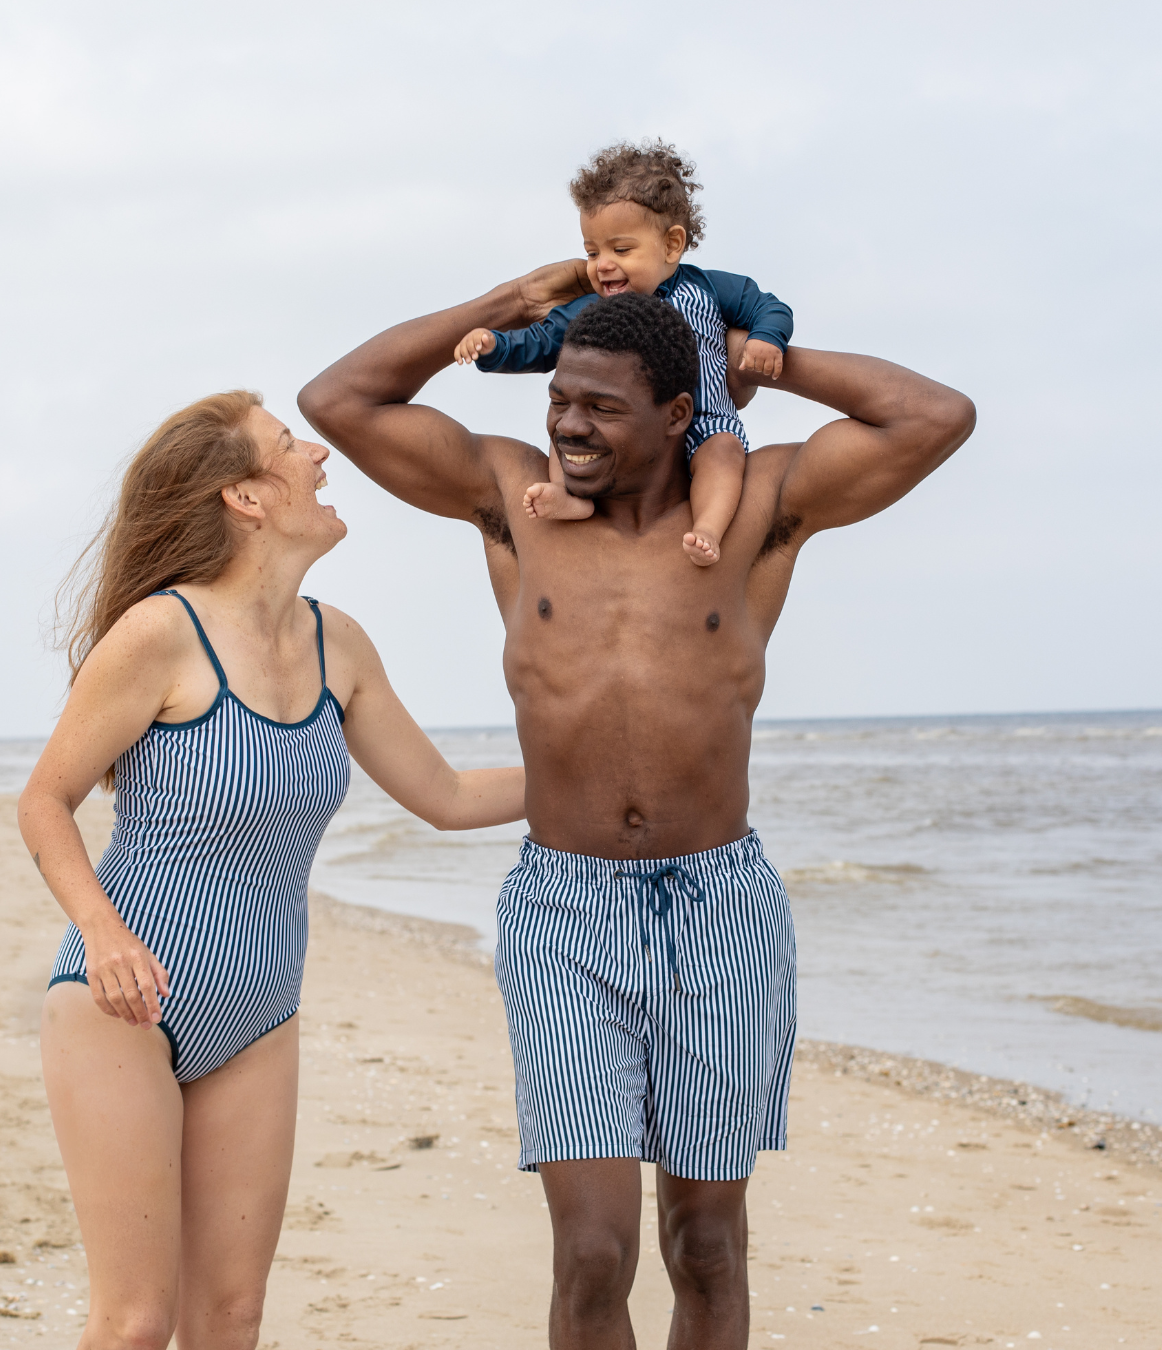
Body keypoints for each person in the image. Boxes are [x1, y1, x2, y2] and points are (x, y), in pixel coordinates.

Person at [298, 277, 974, 1350]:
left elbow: (936, 417)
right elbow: (338, 401)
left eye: (603, 407)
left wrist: (764, 362)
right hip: (564, 912)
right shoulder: (512, 498)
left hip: (722, 908)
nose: (567, 423)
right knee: (593, 1251)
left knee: (706, 1245)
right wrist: (517, 297)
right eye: (561, 398)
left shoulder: (753, 507)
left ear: (675, 413)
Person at [16, 390, 525, 1350]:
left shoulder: (339, 642)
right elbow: (45, 802)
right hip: (123, 1001)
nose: (321, 458)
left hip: (260, 1011)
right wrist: (102, 930)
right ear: (244, 497)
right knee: (134, 1323)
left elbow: (448, 795)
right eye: (292, 446)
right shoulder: (160, 635)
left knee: (233, 1316)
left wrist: (605, 774)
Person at [453, 139, 792, 566]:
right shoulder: (592, 311)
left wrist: (765, 339)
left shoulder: (707, 287)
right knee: (566, 429)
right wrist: (494, 346)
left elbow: (768, 306)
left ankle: (707, 528)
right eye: (592, 252)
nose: (601, 265)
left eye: (621, 249)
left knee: (724, 454)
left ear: (671, 245)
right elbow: (542, 341)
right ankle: (570, 496)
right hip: (623, 440)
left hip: (708, 418)